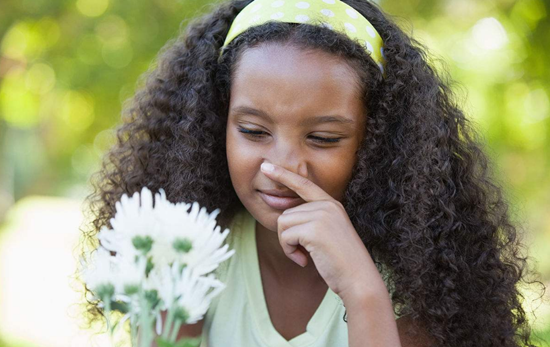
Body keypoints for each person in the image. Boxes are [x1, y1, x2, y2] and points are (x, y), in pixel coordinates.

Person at [81, 0, 542, 346]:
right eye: (254, 130)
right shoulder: (192, 254)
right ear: (214, 125)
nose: (282, 167)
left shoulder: (415, 276)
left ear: (379, 142)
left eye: (322, 138)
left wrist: (363, 291)